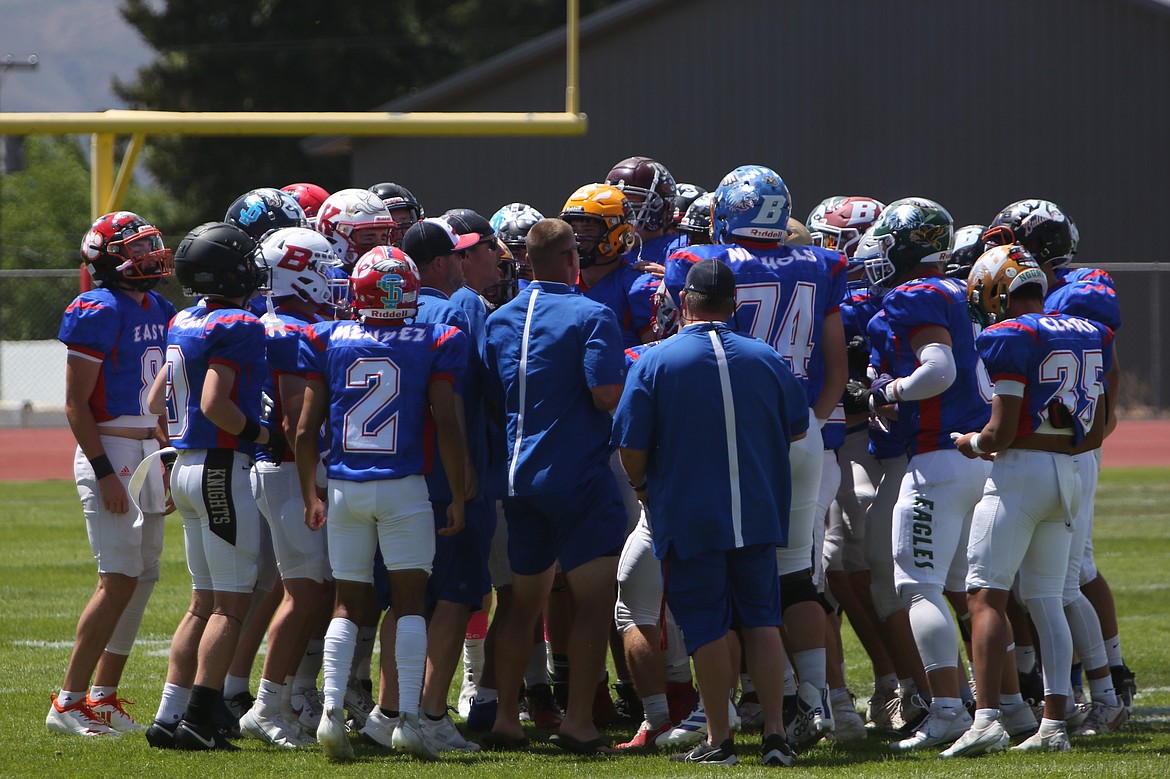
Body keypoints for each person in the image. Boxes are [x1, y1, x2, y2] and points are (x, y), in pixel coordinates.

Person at [662, 165, 849, 750]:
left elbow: (690, 336)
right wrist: (812, 423)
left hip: (736, 437)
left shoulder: (704, 265)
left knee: (723, 576)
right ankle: (813, 703)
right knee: (794, 575)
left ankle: (715, 717)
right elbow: (838, 364)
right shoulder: (822, 264)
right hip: (801, 433)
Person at [613, 258, 809, 767]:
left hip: (691, 512)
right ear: (733, 305)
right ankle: (774, 734)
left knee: (707, 629)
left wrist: (642, 486)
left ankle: (720, 740)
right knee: (761, 622)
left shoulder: (656, 361)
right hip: (758, 510)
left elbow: (631, 447)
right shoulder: (766, 357)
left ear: (685, 303)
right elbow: (797, 427)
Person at [296, 246, 469, 762]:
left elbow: (304, 429)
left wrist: (310, 492)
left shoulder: (327, 336)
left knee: (347, 604)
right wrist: (459, 492)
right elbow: (448, 423)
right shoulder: (436, 338)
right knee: (410, 603)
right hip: (404, 487)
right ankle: (409, 722)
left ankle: (330, 715)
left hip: (346, 488)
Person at [941, 245, 1113, 756]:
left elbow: (997, 433)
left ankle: (988, 717)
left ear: (995, 292)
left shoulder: (1011, 335)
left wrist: (969, 443)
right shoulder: (1089, 330)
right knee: (1046, 599)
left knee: (985, 594)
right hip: (1071, 473)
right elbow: (1096, 430)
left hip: (1021, 476)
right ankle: (1055, 725)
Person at [984, 199, 1135, 724]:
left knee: (1064, 583)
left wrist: (1094, 429)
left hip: (1058, 447)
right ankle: (1083, 689)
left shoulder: (1070, 295)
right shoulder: (1068, 293)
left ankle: (1107, 683)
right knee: (1050, 586)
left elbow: (1099, 368)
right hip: (1063, 447)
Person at [482, 217, 628, 754]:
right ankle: (579, 721)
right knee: (593, 602)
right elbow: (606, 394)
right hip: (576, 477)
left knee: (522, 605)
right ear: (572, 260)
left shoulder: (499, 321)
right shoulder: (593, 313)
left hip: (517, 480)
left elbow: (492, 397)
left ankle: (505, 718)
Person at [853, 197, 992, 751]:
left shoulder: (917, 293)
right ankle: (1003, 707)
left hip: (938, 457)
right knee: (966, 587)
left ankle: (947, 710)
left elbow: (938, 370)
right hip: (977, 457)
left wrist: (884, 393)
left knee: (920, 586)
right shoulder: (961, 289)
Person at [47, 212, 175, 737]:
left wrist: (166, 454)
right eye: (139, 247)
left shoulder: (161, 306)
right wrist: (103, 472)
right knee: (117, 578)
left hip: (147, 447)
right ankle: (68, 702)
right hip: (112, 448)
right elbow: (77, 404)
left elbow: (163, 399)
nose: (151, 254)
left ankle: (104, 695)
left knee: (143, 576)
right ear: (109, 257)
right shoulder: (97, 308)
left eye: (151, 244)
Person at [145, 221, 271, 751]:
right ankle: (199, 716)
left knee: (202, 602)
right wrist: (265, 432)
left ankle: (168, 714)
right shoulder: (239, 323)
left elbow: (155, 402)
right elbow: (216, 403)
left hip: (187, 464)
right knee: (229, 606)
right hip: (222, 467)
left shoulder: (182, 319)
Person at [236, 227, 340, 748]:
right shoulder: (291, 331)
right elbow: (299, 424)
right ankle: (266, 704)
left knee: (315, 589)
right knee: (304, 594)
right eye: (323, 268)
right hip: (288, 471)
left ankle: (294, 694)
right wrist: (311, 490)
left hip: (284, 469)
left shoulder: (275, 321)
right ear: (299, 273)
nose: (332, 277)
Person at [401, 218, 493, 754]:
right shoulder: (461, 306)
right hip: (445, 470)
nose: (463, 264)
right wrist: (464, 473)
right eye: (457, 257)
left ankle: (392, 709)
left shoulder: (381, 308)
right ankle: (430, 713)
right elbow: (462, 392)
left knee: (408, 604)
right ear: (441, 263)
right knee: (458, 596)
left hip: (392, 475)